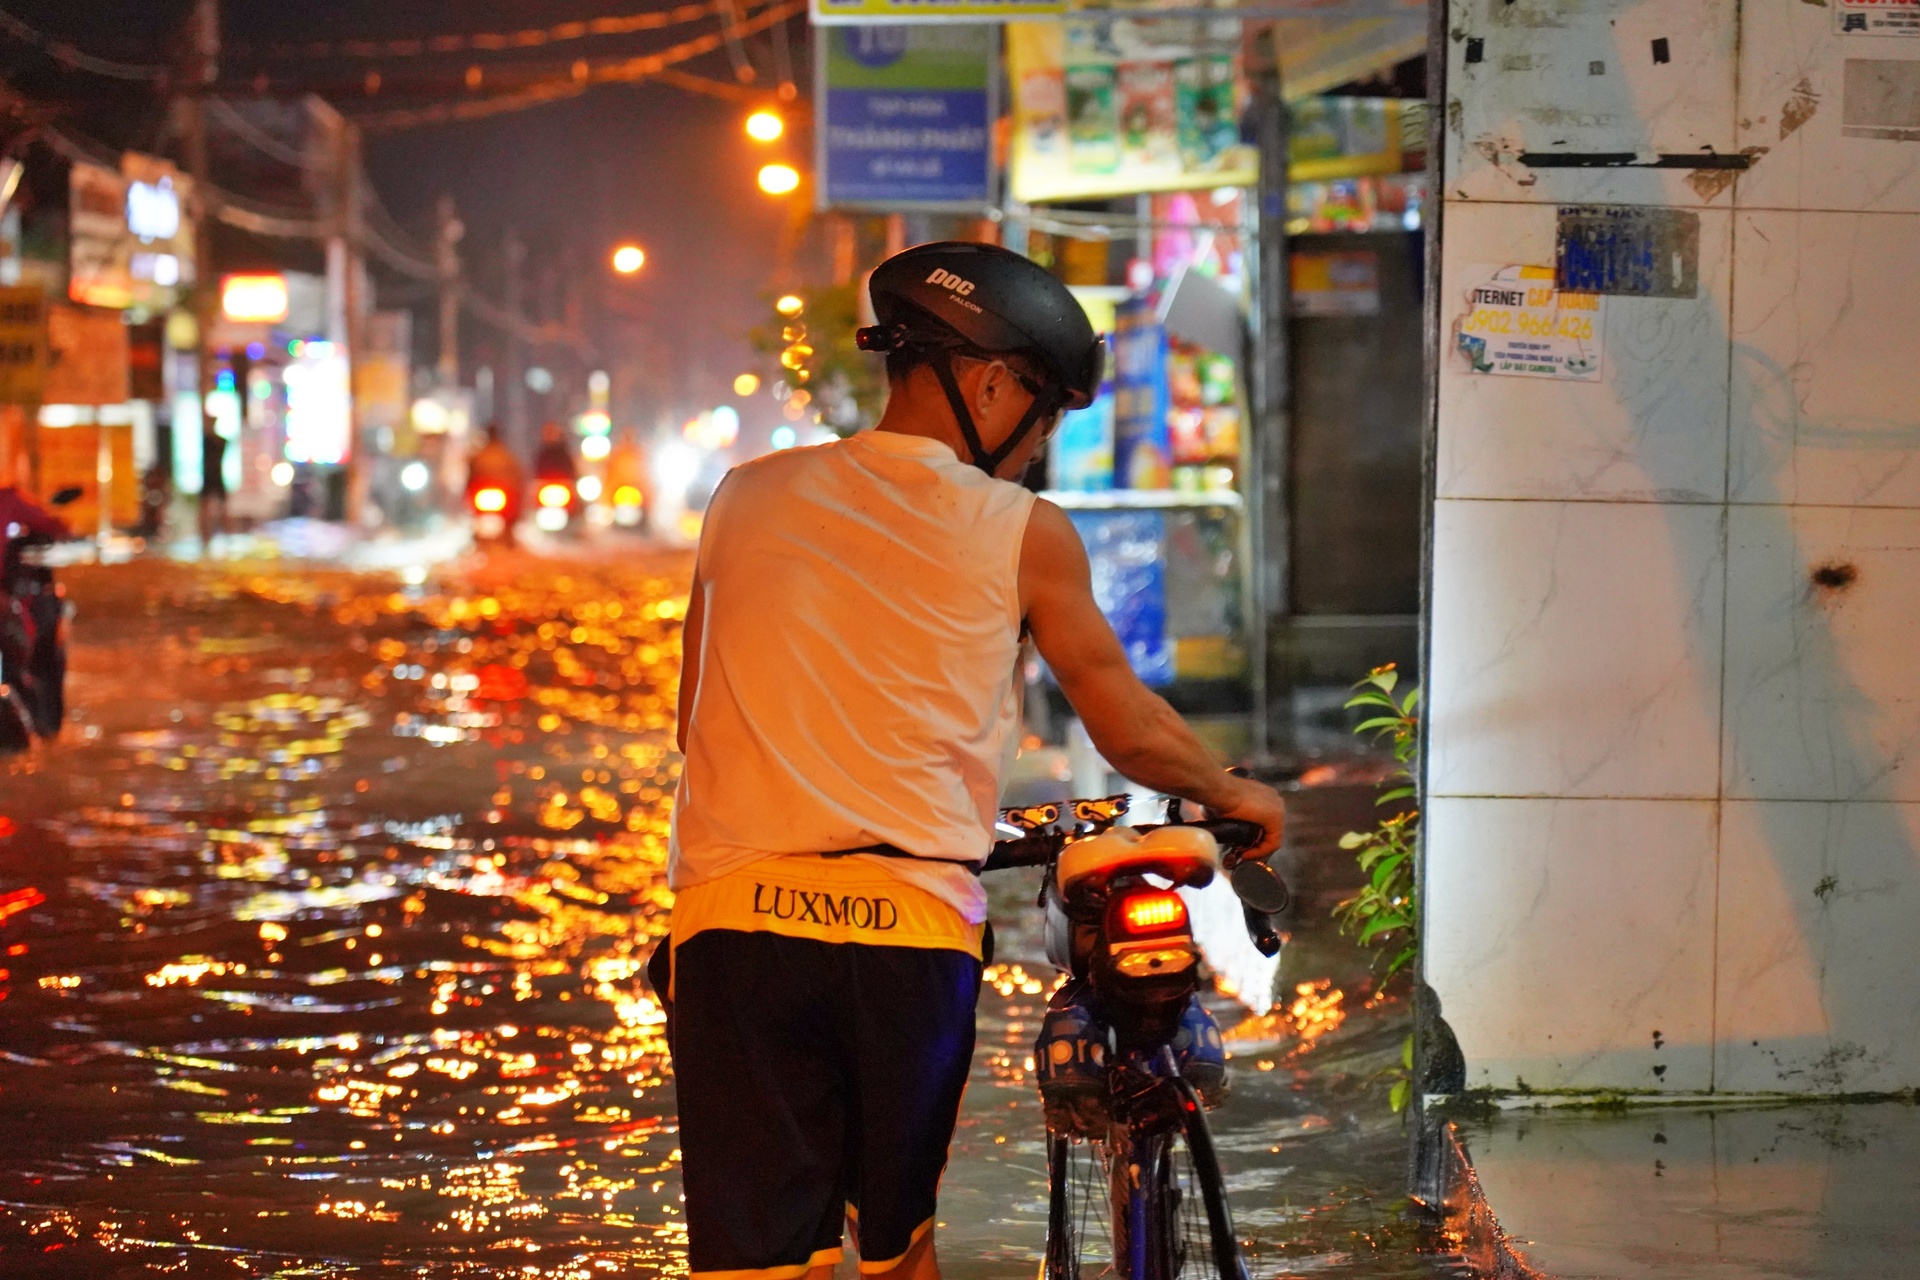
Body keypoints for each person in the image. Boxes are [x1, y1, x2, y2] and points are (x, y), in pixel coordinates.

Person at [666, 241, 1287, 1280]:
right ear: (990, 382)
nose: (1038, 441)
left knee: (757, 1267)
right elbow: (1125, 724)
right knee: (898, 1252)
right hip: (906, 939)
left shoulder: (745, 495)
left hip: (734, 932)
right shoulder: (1024, 530)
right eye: (1041, 411)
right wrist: (1230, 788)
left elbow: (694, 718)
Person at [197, 427, 228, 550]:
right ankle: (206, 536)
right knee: (205, 508)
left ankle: (225, 535)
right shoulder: (205, 441)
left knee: (222, 508)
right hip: (208, 477)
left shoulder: (220, 441)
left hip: (216, 476)